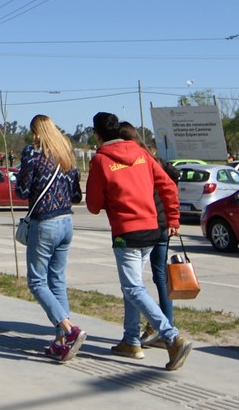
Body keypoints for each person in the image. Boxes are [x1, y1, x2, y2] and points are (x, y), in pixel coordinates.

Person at [86, 111, 193, 371]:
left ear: (97, 135)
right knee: (131, 286)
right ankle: (131, 340)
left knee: (133, 287)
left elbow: (92, 205)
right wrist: (174, 219)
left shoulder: (100, 160)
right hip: (152, 231)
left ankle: (171, 337)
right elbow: (167, 185)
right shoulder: (141, 153)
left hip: (126, 235)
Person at [16, 114, 85, 362]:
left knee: (36, 282)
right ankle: (60, 342)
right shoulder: (66, 152)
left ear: (35, 131)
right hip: (67, 221)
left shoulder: (32, 152)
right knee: (57, 280)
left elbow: (23, 190)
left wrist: (20, 178)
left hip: (45, 222)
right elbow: (77, 194)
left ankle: (70, 330)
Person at [122, 122, 176, 348]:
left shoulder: (137, 163)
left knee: (135, 282)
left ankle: (163, 329)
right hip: (163, 227)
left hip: (149, 227)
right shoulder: (156, 161)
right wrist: (173, 218)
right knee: (160, 278)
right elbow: (172, 182)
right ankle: (163, 325)